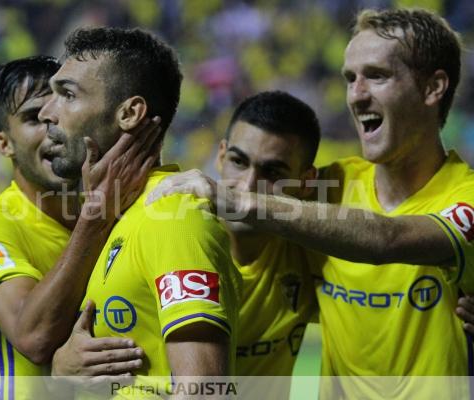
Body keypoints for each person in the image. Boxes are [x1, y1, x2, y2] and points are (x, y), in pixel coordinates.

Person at [149, 8, 474, 397]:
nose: (356, 94)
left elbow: (387, 239)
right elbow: (248, 268)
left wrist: (231, 197)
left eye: (377, 76)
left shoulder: (464, 197)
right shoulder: (329, 184)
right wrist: (73, 348)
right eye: (350, 78)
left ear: (433, 88)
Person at [39, 27, 241, 395]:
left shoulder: (174, 218)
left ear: (129, 113)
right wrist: (62, 374)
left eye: (67, 94)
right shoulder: (116, 216)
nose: (47, 113)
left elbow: (205, 391)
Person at [0, 55, 158, 399]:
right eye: (34, 117)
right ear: (4, 144)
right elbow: (32, 337)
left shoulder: (116, 210)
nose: (53, 127)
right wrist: (96, 218)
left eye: (62, 110)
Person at [216, 91, 321, 397]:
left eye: (272, 172)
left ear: (306, 182)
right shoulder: (178, 237)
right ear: (221, 156)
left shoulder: (317, 252)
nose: (247, 187)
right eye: (238, 161)